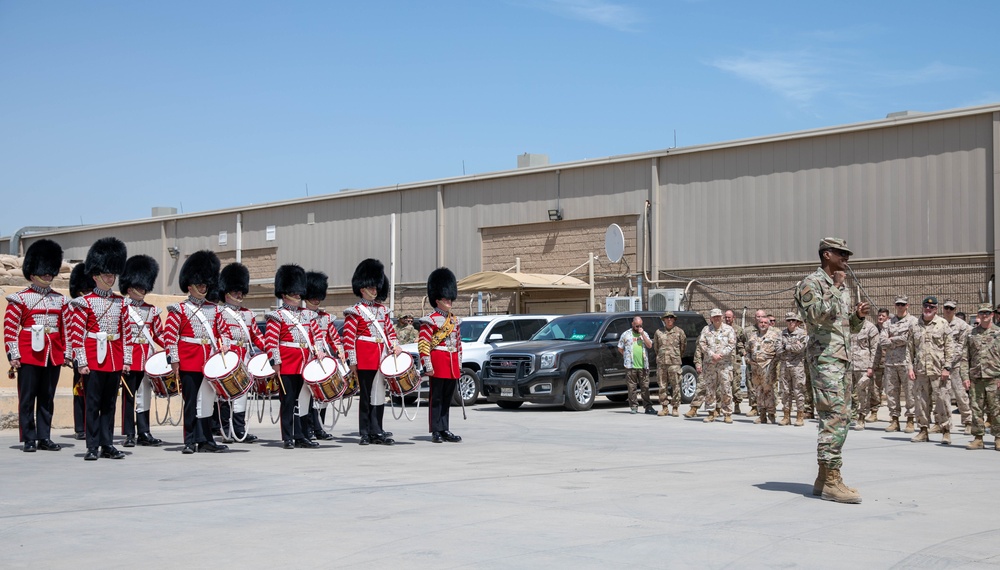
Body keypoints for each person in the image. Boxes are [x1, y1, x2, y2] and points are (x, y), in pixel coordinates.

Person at [793, 237, 868, 504]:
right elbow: (815, 316)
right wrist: (835, 287)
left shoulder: (841, 287)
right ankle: (832, 480)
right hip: (824, 360)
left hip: (841, 359)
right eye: (841, 253)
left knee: (842, 417)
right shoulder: (810, 284)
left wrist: (857, 317)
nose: (846, 258)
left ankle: (823, 478)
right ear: (827, 254)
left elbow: (842, 325)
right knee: (833, 418)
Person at [162, 250, 231, 454]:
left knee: (208, 402)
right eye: (199, 284)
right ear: (189, 286)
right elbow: (170, 336)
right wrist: (174, 360)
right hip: (189, 359)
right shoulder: (179, 309)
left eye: (204, 284)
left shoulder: (215, 309)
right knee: (191, 402)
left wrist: (225, 343)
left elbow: (224, 330)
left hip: (209, 360)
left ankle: (206, 439)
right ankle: (190, 439)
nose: (203, 287)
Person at [4, 239, 69, 453]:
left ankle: (44, 437)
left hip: (52, 353)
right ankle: (29, 438)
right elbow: (10, 329)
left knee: (47, 397)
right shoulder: (20, 299)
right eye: (44, 272)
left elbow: (65, 328)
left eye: (50, 272)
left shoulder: (60, 300)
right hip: (29, 353)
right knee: (27, 398)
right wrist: (13, 354)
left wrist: (66, 353)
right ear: (33, 274)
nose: (49, 275)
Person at [70, 237, 131, 461]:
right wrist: (82, 362)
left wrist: (126, 360)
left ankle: (107, 444)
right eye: (106, 275)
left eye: (112, 274)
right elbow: (77, 335)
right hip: (94, 358)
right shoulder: (83, 302)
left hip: (114, 358)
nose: (111, 278)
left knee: (109, 405)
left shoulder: (121, 302)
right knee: (92, 403)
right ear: (96, 276)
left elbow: (126, 333)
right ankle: (92, 445)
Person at [264, 264, 325, 449]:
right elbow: (271, 341)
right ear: (285, 294)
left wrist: (320, 350)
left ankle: (302, 435)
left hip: (305, 363)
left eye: (299, 293)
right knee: (288, 402)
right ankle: (288, 436)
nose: (298, 296)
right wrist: (275, 362)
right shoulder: (277, 316)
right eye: (295, 293)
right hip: (288, 364)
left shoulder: (308, 315)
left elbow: (317, 336)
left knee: (304, 401)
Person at [343, 258, 400, 445]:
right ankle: (365, 431)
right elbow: (349, 338)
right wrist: (352, 360)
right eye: (372, 287)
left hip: (381, 357)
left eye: (376, 287)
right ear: (362, 288)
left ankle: (377, 429)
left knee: (379, 396)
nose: (375, 290)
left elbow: (390, 332)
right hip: (365, 357)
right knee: (366, 396)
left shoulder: (382, 311)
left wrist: (395, 345)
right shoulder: (355, 311)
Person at [118, 254, 164, 447]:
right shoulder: (121, 308)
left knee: (145, 396)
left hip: (148, 358)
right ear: (129, 288)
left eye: (144, 286)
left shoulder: (152, 310)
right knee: (129, 397)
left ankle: (144, 431)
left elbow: (158, 334)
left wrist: (172, 346)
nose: (143, 290)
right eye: (139, 286)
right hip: (130, 358)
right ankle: (129, 433)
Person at [216, 262, 264, 444]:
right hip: (227, 357)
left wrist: (270, 349)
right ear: (226, 292)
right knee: (226, 395)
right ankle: (225, 429)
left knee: (242, 395)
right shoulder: (220, 312)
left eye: (240, 291)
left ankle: (239, 429)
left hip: (244, 357)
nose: (239, 294)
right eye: (235, 291)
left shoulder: (248, 314)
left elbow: (257, 336)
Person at [419, 267, 463, 442]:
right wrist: (427, 364)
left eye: (449, 298)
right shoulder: (429, 320)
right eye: (446, 298)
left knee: (447, 398)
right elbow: (424, 343)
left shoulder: (454, 320)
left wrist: (459, 363)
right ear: (437, 300)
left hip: (451, 362)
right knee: (435, 397)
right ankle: (436, 429)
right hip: (438, 360)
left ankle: (445, 428)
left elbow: (458, 344)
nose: (449, 301)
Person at [301, 270, 344, 441]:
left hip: (322, 360)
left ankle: (319, 427)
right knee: (309, 397)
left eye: (318, 296)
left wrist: (340, 350)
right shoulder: (301, 315)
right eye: (313, 297)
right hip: (308, 360)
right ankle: (310, 427)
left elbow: (333, 337)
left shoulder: (325, 317)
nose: (316, 300)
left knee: (323, 396)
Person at [907, 296, 956, 444]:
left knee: (942, 401)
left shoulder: (943, 324)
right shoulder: (914, 325)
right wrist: (910, 367)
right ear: (922, 307)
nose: (928, 309)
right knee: (921, 402)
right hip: (920, 371)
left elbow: (950, 348)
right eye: (926, 307)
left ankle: (946, 431)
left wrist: (947, 367)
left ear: (936, 309)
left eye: (931, 307)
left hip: (938, 371)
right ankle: (923, 431)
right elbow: (909, 350)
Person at [963, 304, 1000, 450]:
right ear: (978, 315)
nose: (984, 315)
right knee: (976, 409)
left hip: (994, 378)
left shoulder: (998, 333)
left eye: (987, 313)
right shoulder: (972, 334)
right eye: (982, 313)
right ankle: (978, 438)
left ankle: (998, 438)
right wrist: (965, 377)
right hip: (976, 378)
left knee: (997, 409)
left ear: (992, 314)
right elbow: (965, 358)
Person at [689, 309, 735, 423]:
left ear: (722, 317)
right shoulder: (706, 329)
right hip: (710, 365)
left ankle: (727, 414)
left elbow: (732, 344)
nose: (717, 318)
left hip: (724, 365)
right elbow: (702, 344)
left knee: (726, 389)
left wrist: (721, 354)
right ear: (711, 318)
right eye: (715, 317)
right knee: (710, 389)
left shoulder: (729, 329)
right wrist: (712, 354)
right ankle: (711, 413)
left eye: (719, 316)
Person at [67, 263, 94, 440]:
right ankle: (80, 427)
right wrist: (70, 354)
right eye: (83, 289)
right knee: (80, 390)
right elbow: (69, 332)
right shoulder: (71, 307)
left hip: (96, 350)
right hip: (80, 351)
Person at [883, 295, 917, 433]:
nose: (900, 307)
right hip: (890, 363)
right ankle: (894, 420)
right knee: (891, 393)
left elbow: (908, 339)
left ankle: (910, 420)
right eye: (898, 304)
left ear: (907, 305)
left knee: (910, 392)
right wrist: (898, 340)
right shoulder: (888, 323)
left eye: (903, 304)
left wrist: (892, 339)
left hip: (906, 362)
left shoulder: (913, 321)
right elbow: (882, 341)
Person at [941, 299, 973, 434]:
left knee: (960, 395)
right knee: (942, 396)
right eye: (946, 308)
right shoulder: (938, 323)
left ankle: (968, 422)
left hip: (956, 366)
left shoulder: (962, 325)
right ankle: (943, 424)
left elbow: (962, 346)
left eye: (951, 308)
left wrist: (949, 361)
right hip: (941, 366)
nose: (948, 310)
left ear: (955, 309)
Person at [746, 309, 781, 424]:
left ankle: (771, 414)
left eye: (765, 323)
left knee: (769, 391)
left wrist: (773, 362)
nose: (763, 324)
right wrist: (749, 360)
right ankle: (762, 415)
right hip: (756, 368)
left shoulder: (775, 335)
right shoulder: (753, 336)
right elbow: (747, 351)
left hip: (768, 367)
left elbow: (779, 351)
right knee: (759, 391)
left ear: (769, 323)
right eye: (761, 322)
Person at [849, 310, 880, 431]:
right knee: (846, 393)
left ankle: (861, 417)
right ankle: (847, 416)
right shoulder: (848, 327)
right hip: (848, 365)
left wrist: (871, 367)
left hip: (863, 365)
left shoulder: (870, 328)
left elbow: (875, 349)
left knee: (863, 393)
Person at [617, 316, 654, 415]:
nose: (638, 328)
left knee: (645, 387)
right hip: (630, 366)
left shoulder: (644, 333)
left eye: (640, 326)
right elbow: (620, 347)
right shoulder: (626, 334)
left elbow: (650, 345)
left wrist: (642, 334)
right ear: (633, 324)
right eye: (637, 326)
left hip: (643, 366)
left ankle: (648, 406)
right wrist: (626, 356)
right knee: (632, 388)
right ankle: (634, 406)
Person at [777, 312, 808, 426]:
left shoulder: (802, 334)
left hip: (797, 366)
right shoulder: (782, 333)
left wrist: (786, 347)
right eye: (789, 320)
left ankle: (800, 416)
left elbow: (801, 348)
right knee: (785, 391)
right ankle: (786, 416)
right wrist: (790, 347)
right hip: (785, 365)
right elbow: (777, 349)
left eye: (793, 320)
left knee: (798, 391)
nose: (791, 322)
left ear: (797, 322)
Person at [653, 311, 686, 417]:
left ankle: (675, 407)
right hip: (662, 363)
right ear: (664, 320)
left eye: (671, 317)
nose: (669, 319)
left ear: (674, 319)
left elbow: (683, 346)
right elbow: (656, 348)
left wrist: (676, 356)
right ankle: (664, 407)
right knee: (662, 386)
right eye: (667, 318)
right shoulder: (658, 332)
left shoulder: (679, 332)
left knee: (676, 386)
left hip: (674, 363)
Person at [867, 308, 891, 422]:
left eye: (883, 316)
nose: (880, 317)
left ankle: (894, 416)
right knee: (875, 389)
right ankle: (874, 412)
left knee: (892, 390)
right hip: (877, 364)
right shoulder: (873, 329)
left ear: (888, 318)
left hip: (890, 363)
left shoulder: (892, 328)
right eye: (879, 316)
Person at [723, 310, 748, 414]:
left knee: (736, 383)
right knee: (724, 383)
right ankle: (722, 405)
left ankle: (737, 404)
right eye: (726, 317)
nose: (728, 319)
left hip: (736, 360)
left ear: (734, 318)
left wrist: (742, 353)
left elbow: (743, 342)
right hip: (724, 360)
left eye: (729, 317)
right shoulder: (721, 329)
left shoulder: (739, 329)